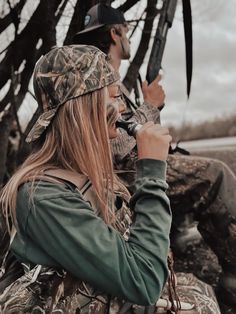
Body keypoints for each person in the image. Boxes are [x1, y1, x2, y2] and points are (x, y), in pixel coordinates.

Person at [73, 3, 236, 306]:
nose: (128, 39)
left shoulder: (111, 78)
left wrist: (151, 112)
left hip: (135, 170)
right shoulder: (99, 79)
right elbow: (115, 149)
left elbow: (136, 135)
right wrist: (149, 106)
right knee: (216, 175)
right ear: (115, 33)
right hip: (124, 175)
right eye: (127, 32)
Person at [0, 44, 175, 312]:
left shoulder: (86, 172)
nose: (121, 109)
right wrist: (151, 171)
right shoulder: (43, 196)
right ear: (86, 107)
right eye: (116, 97)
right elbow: (143, 281)